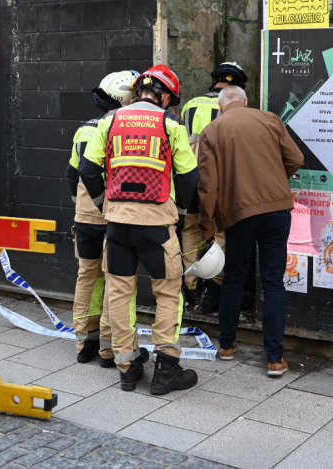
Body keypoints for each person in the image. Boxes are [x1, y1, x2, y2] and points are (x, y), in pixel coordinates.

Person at [79, 64, 200, 395]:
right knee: (168, 292)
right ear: (163, 97)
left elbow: (88, 170)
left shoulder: (111, 120)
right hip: (157, 227)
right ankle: (166, 369)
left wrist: (106, 205)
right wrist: (181, 211)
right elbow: (189, 176)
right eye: (170, 100)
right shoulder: (170, 124)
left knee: (119, 293)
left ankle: (127, 367)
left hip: (117, 225)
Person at [197, 85, 304, 376]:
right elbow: (295, 159)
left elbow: (208, 187)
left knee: (233, 278)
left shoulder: (212, 131)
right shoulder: (270, 120)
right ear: (246, 102)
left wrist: (207, 227)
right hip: (276, 212)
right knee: (273, 283)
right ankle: (274, 359)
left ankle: (227, 346)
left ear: (221, 107)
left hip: (238, 214)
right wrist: (274, 182)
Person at [65, 70, 139, 366]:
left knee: (87, 275)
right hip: (115, 215)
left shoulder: (84, 129)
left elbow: (73, 173)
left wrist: (83, 204)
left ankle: (84, 342)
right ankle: (109, 349)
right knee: (116, 281)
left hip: (85, 217)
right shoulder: (124, 129)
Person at [178, 62, 248, 315]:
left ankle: (191, 288)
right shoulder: (232, 110)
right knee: (219, 233)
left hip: (189, 179)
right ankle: (213, 290)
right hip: (218, 182)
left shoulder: (189, 105)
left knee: (190, 230)